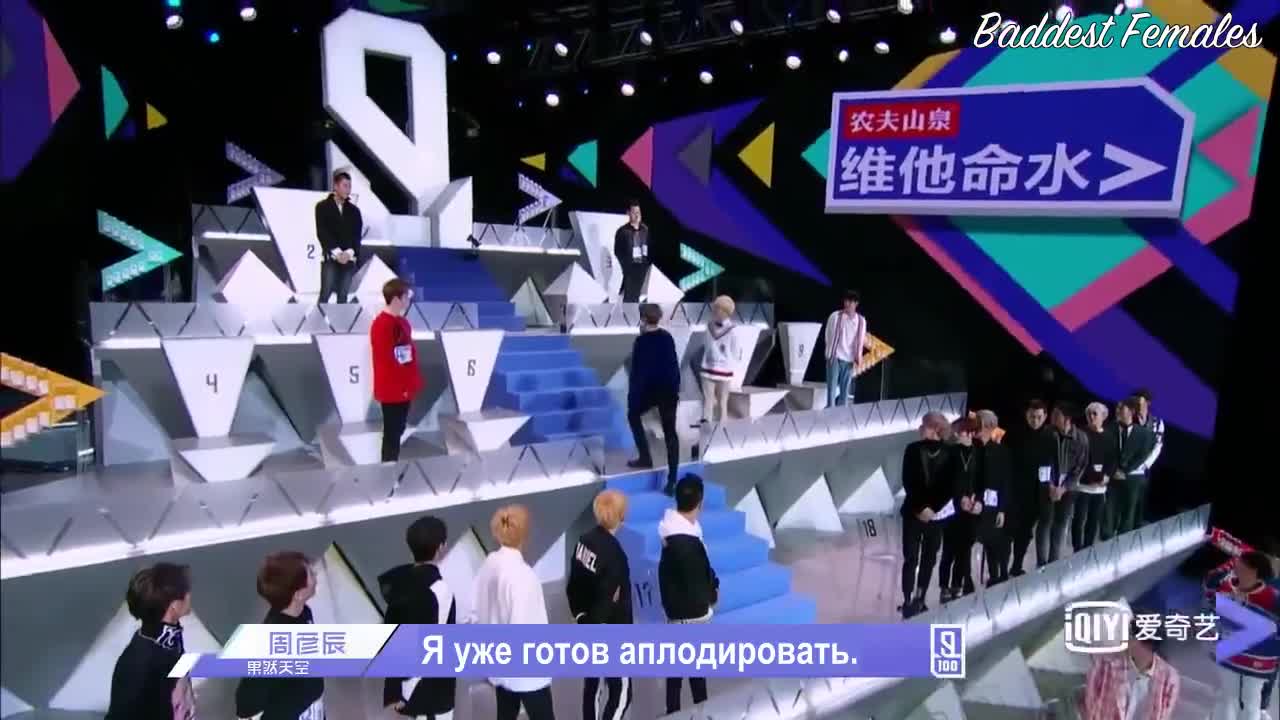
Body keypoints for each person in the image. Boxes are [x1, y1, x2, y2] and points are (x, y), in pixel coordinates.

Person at [470, 505, 555, 720]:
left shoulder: (489, 564)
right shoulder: (524, 576)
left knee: (506, 714)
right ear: (525, 533)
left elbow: (475, 609)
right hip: (526, 671)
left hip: (499, 662)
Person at [380, 516, 456, 720]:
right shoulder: (440, 591)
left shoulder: (398, 584)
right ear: (441, 548)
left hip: (402, 691)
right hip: (429, 693)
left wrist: (394, 690)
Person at [567, 490, 634, 720]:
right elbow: (609, 600)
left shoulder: (583, 541)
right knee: (621, 692)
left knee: (593, 686)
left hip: (587, 624)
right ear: (621, 516)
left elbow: (573, 585)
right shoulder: (616, 557)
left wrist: (580, 617)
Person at [235, 551, 324, 720]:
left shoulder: (304, 612)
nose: (316, 575)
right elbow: (247, 701)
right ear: (298, 594)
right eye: (311, 574)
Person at [659, 474, 719, 714]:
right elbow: (699, 582)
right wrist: (712, 594)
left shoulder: (671, 534)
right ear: (700, 502)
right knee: (696, 677)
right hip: (693, 617)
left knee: (675, 677)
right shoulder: (689, 544)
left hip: (675, 616)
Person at [106, 563, 196, 720]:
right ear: (174, 606)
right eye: (186, 591)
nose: (190, 595)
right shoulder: (142, 662)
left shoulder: (169, 638)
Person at [1205, 551, 1279, 720]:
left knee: (1250, 701)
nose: (1237, 565)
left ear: (1253, 570)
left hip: (1258, 660)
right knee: (1228, 698)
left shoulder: (1271, 597)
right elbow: (1209, 587)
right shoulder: (1226, 587)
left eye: (1241, 563)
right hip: (1231, 654)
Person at [899, 411, 954, 618]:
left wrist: (933, 509)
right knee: (910, 557)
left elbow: (949, 485)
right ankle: (907, 600)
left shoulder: (950, 453)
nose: (920, 428)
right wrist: (920, 508)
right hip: (913, 512)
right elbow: (908, 481)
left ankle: (920, 598)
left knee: (929, 558)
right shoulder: (912, 449)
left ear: (936, 429)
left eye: (925, 425)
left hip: (937, 516)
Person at [626, 304, 682, 495]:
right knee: (670, 433)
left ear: (642, 318)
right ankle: (672, 479)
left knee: (633, 415)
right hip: (668, 391)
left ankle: (645, 457)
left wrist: (633, 397)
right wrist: (675, 390)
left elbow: (638, 373)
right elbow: (674, 366)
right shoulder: (667, 337)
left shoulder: (641, 342)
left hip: (649, 392)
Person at [1082, 618, 1181, 720]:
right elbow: (1090, 704)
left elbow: (1163, 715)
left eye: (1130, 635)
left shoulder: (1169, 678)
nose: (1124, 640)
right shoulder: (1105, 665)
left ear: (1147, 645)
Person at [371, 278, 422, 462]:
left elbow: (407, 354)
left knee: (398, 429)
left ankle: (392, 467)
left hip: (405, 386)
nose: (408, 300)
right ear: (396, 299)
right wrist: (402, 385)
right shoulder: (382, 325)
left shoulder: (402, 323)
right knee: (392, 433)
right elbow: (388, 359)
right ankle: (388, 470)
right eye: (406, 297)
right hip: (392, 388)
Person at [1006, 399, 1057, 575]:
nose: (1035, 420)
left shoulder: (1051, 437)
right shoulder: (1014, 434)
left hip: (1038, 494)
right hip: (1015, 492)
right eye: (1032, 417)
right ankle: (1001, 570)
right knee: (1008, 532)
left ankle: (1016, 566)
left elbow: (1055, 465)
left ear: (1045, 416)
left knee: (1025, 533)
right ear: (1026, 415)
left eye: (1039, 417)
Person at [939, 417, 981, 602]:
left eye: (969, 432)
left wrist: (976, 500)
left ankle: (957, 583)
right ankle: (944, 586)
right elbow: (944, 482)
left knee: (964, 549)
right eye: (962, 431)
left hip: (970, 508)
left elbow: (980, 480)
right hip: (952, 507)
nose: (966, 435)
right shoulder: (949, 453)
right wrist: (958, 498)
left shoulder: (977, 453)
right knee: (948, 549)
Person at [1042, 403, 1089, 564]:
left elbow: (1080, 467)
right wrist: (1049, 485)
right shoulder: (1047, 433)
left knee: (1061, 525)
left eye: (1057, 415)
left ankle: (1054, 562)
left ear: (1067, 419)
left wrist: (1063, 488)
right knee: (1045, 523)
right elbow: (1042, 461)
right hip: (1047, 487)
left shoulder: (1081, 438)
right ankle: (1041, 563)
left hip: (1068, 489)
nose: (1052, 418)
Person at [1106, 398, 1157, 538]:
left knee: (1128, 513)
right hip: (1113, 476)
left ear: (1131, 412)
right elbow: (1106, 452)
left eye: (1121, 408)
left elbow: (1143, 455)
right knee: (1109, 511)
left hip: (1133, 477)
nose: (1117, 411)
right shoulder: (1109, 429)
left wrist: (1125, 471)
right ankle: (1107, 538)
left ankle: (1123, 540)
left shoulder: (1144, 433)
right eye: (1117, 408)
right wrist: (1114, 470)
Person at [974, 410, 1011, 586]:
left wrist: (1002, 509)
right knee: (984, 539)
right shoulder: (972, 450)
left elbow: (1005, 482)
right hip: (976, 503)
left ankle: (1000, 574)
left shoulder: (1001, 451)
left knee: (996, 541)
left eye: (979, 424)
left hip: (994, 504)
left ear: (988, 426)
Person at [315, 171, 363, 304]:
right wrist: (337, 253)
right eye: (345, 186)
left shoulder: (354, 211)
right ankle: (319, 318)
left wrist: (349, 253)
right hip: (331, 257)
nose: (348, 190)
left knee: (343, 296)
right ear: (335, 186)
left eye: (349, 186)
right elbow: (322, 232)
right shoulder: (322, 207)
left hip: (349, 259)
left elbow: (357, 235)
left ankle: (341, 319)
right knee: (325, 294)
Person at [1077, 402, 1116, 548]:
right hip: (1082, 486)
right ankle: (1077, 548)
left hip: (1099, 488)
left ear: (1103, 416)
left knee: (1093, 521)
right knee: (1078, 521)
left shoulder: (1109, 437)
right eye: (1089, 414)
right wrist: (1090, 478)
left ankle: (1087, 549)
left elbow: (1112, 460)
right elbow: (1078, 460)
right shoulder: (1080, 434)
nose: (1091, 416)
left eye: (1095, 413)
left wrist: (1106, 476)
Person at [699, 295, 741, 427]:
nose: (716, 311)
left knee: (723, 402)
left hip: (724, 370)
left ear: (727, 312)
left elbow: (736, 351)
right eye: (716, 308)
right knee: (708, 401)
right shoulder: (709, 326)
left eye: (719, 309)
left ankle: (722, 430)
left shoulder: (733, 330)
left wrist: (727, 361)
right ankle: (706, 429)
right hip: (707, 369)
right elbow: (705, 344)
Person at [822, 290, 867, 408]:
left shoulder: (861, 321)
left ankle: (841, 415)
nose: (847, 304)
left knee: (844, 391)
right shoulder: (835, 316)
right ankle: (830, 413)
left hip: (849, 359)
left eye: (850, 302)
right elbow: (828, 334)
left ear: (856, 304)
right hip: (835, 357)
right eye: (846, 301)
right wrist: (829, 353)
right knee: (831, 389)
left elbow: (860, 340)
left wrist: (858, 358)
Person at [1133, 388, 1166, 524]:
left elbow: (1158, 446)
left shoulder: (1157, 423)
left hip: (1143, 470)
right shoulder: (1128, 419)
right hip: (1125, 468)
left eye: (1139, 401)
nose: (1136, 404)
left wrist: (1146, 464)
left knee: (1138, 504)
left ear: (1148, 403)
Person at [613, 200, 651, 302]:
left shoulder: (645, 229)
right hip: (630, 268)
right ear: (628, 213)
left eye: (638, 212)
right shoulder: (622, 231)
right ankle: (628, 311)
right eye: (634, 212)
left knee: (641, 295)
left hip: (643, 267)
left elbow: (648, 247)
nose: (637, 215)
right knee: (629, 296)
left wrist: (646, 263)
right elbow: (617, 251)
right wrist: (625, 265)